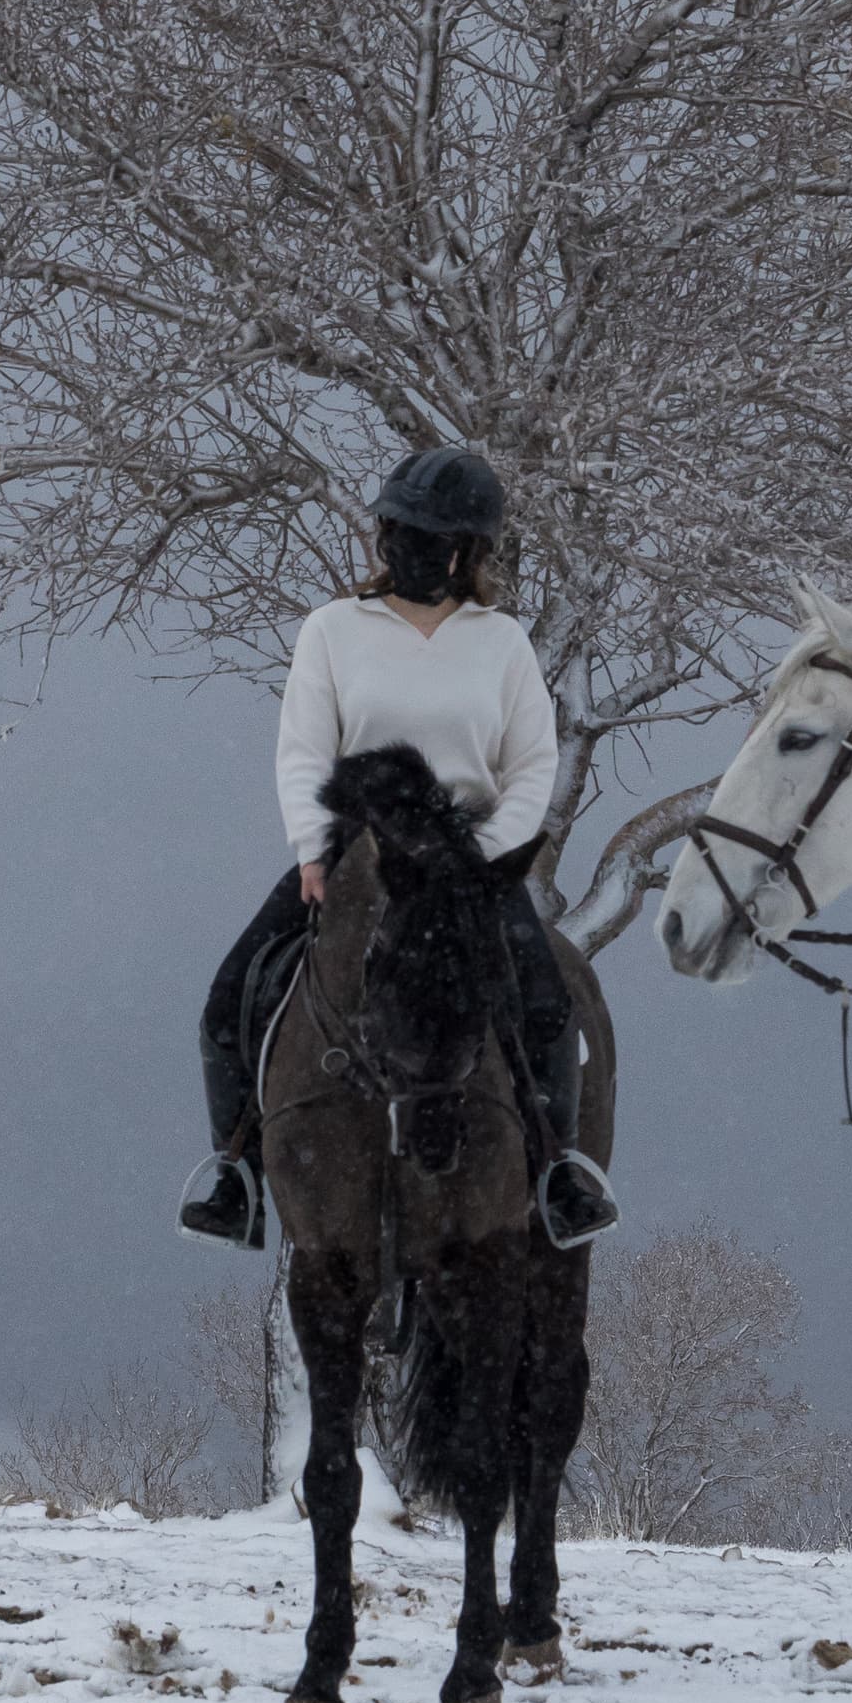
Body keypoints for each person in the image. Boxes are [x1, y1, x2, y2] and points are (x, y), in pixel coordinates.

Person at [178, 446, 618, 1256]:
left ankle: (560, 1173)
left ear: (467, 551)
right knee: (226, 1000)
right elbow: (304, 752)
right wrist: (313, 850)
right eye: (401, 530)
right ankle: (235, 1175)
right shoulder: (333, 631)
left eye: (433, 535)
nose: (412, 547)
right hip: (355, 855)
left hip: (468, 869)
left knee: (549, 1009)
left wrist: (480, 859)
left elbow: (533, 766)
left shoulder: (502, 642)